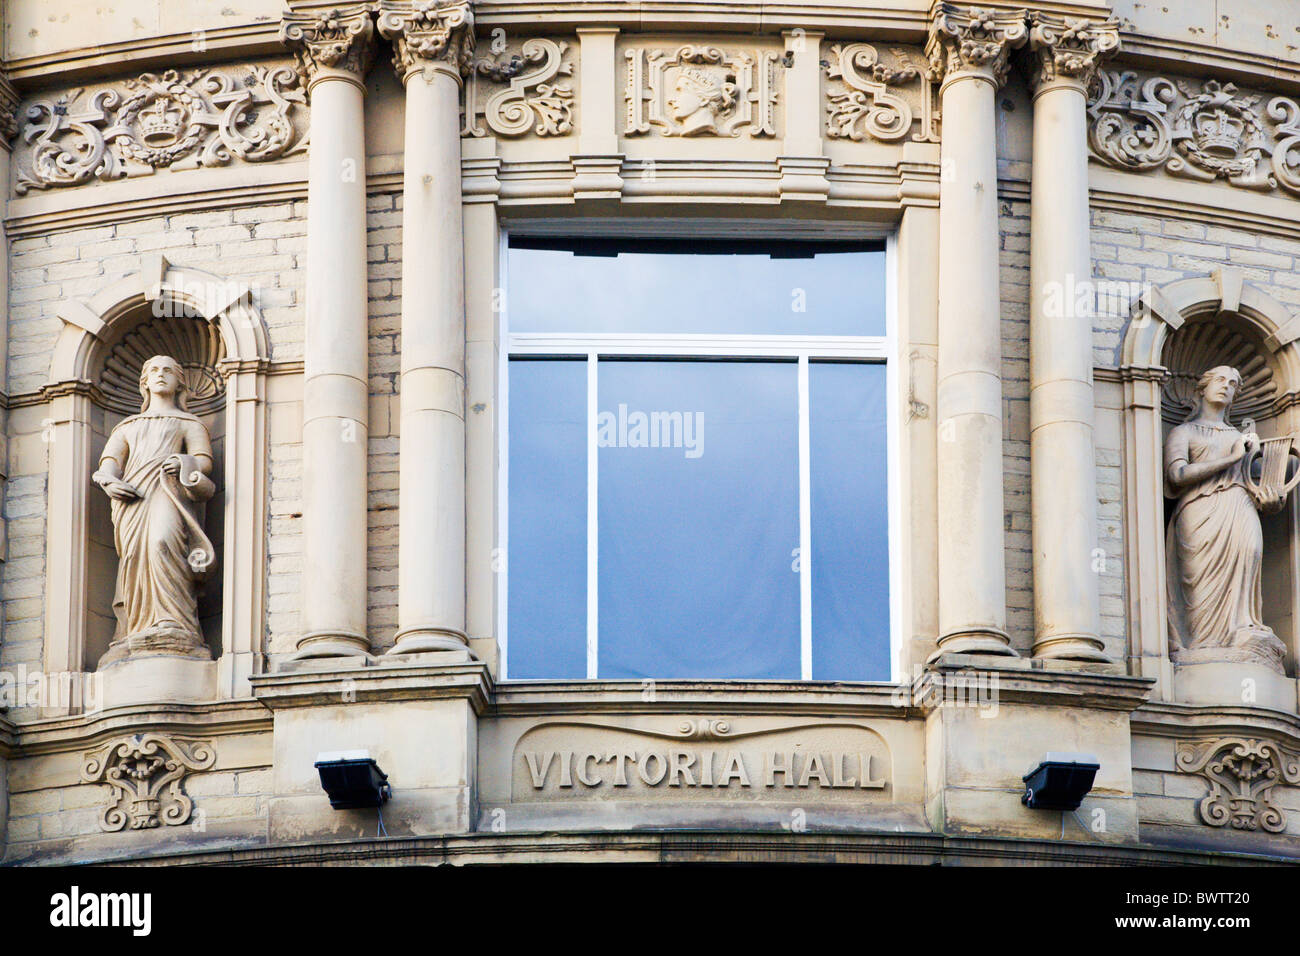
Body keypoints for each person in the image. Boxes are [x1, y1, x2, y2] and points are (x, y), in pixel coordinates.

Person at [92, 354, 216, 666]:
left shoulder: (189, 423)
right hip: (132, 499)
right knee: (134, 556)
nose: (160, 375)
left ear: (179, 383)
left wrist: (183, 462)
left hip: (169, 491)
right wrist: (107, 481)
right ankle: (134, 628)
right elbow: (110, 464)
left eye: (167, 371)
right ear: (144, 382)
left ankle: (175, 621)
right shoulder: (127, 426)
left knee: (162, 543)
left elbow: (204, 461)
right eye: (153, 370)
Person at [1164, 365, 1287, 673]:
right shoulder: (1185, 432)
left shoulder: (1243, 437)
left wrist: (1271, 499)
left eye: (1233, 383)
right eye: (1219, 380)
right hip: (1200, 511)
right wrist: (1232, 457)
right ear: (1202, 388)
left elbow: (1255, 483)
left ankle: (1241, 629)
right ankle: (1202, 645)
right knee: (1200, 584)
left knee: (1250, 552)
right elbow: (1177, 475)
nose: (1226, 386)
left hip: (1239, 505)